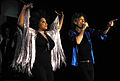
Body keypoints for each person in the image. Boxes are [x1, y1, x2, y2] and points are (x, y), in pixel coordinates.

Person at [11, 3, 66, 81]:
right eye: (43, 22)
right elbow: (20, 24)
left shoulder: (48, 34)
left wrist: (62, 17)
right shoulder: (33, 33)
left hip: (48, 64)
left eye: (46, 21)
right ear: (38, 23)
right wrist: (24, 8)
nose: (46, 23)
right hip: (38, 64)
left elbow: (57, 30)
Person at [68, 12, 117, 81]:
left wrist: (108, 26)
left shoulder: (88, 31)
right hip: (80, 64)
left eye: (84, 20)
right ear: (75, 22)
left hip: (90, 63)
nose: (83, 21)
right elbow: (77, 41)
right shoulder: (72, 32)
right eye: (81, 20)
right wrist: (83, 29)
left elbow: (101, 33)